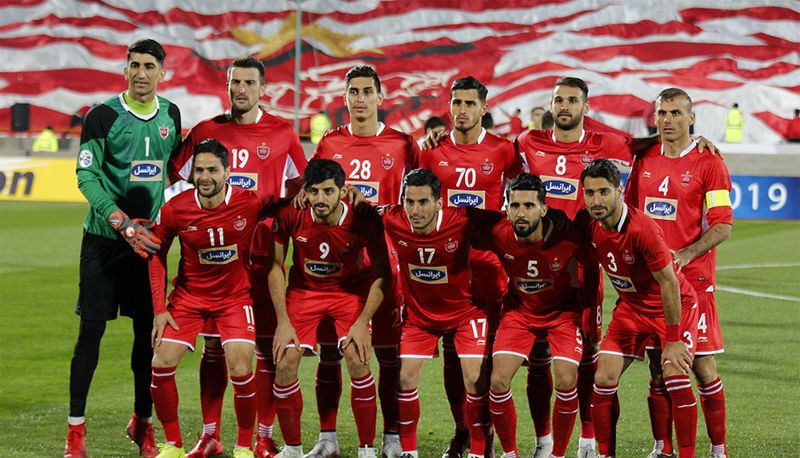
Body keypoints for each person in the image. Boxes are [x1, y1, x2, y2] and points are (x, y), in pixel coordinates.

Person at [515, 77, 716, 458]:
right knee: (538, 356)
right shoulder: (528, 141)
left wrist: (690, 140)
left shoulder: (603, 145)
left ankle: (589, 439)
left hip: (586, 268)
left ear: (585, 107)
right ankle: (545, 442)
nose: (564, 106)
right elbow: (495, 161)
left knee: (591, 356)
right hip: (540, 265)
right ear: (551, 104)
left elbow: (645, 143)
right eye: (559, 100)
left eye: (572, 100)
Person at [167, 55, 308, 458]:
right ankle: (210, 435)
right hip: (214, 262)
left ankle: (262, 436)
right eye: (235, 82)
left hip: (264, 257)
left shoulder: (283, 133)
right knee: (213, 347)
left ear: (263, 88)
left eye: (249, 82)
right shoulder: (206, 131)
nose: (241, 89)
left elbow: (299, 188)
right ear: (227, 85)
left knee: (263, 348)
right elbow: (175, 176)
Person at [65, 38, 180, 458]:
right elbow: (86, 177)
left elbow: (173, 171)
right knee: (90, 333)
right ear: (125, 69)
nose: (141, 73)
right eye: (135, 65)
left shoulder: (171, 115)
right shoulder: (102, 116)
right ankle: (75, 432)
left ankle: (143, 425)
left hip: (146, 245)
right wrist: (121, 222)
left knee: (146, 339)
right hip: (104, 240)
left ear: (162, 72)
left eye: (149, 66)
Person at [306, 64, 419, 458]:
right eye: (353, 91)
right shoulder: (330, 144)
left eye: (367, 91)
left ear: (380, 97)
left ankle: (391, 438)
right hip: (338, 267)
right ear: (345, 97)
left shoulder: (403, 144)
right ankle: (327, 439)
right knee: (330, 353)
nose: (359, 99)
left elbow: (420, 195)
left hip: (385, 266)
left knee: (388, 355)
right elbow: (311, 192)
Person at [148, 138, 282, 458]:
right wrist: (159, 308)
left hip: (235, 299)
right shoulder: (175, 209)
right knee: (160, 363)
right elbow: (156, 254)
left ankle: (243, 447)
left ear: (227, 172)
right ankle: (173, 445)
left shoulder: (250, 201)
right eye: (199, 170)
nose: (205, 177)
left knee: (240, 366)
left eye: (212, 170)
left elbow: (286, 204)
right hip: (189, 298)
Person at [419, 75, 525, 458]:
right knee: (452, 357)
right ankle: (462, 431)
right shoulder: (431, 152)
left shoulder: (503, 150)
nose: (461, 110)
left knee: (485, 361)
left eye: (469, 103)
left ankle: (486, 435)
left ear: (484, 107)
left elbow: (524, 193)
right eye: (456, 103)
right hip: (448, 271)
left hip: (491, 271)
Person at [626, 88, 733, 458]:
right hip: (651, 284)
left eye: (675, 112)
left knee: (701, 366)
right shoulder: (644, 158)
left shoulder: (709, 162)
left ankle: (718, 450)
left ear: (691, 118)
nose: (668, 119)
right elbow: (630, 213)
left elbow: (723, 224)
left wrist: (686, 254)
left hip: (693, 282)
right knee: (659, 368)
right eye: (662, 113)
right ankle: (663, 448)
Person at [575, 158, 700, 458]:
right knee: (603, 378)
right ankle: (606, 454)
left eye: (604, 192)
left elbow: (670, 284)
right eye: (590, 193)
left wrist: (673, 339)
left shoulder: (643, 229)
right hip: (631, 309)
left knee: (675, 378)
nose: (596, 200)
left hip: (672, 307)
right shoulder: (586, 223)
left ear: (619, 191)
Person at [269, 159, 392, 458]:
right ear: (305, 192)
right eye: (314, 191)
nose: (320, 199)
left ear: (343, 191)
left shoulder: (363, 218)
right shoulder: (291, 214)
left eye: (328, 191)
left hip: (350, 292)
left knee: (357, 358)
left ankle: (366, 451)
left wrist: (362, 322)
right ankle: (292, 450)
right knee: (284, 363)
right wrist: (282, 321)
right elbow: (275, 266)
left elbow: (383, 274)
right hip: (305, 292)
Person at [380, 168, 504, 458]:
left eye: (423, 202)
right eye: (409, 202)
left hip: (466, 313)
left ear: (439, 202)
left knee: (474, 378)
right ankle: (409, 451)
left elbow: (504, 222)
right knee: (405, 377)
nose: (415, 210)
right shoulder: (392, 218)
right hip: (420, 318)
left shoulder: (463, 219)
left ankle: (478, 450)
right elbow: (360, 211)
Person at [479, 173, 600, 458]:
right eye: (515, 205)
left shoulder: (568, 236)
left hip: (562, 313)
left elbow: (592, 268)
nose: (521, 213)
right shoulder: (498, 233)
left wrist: (589, 315)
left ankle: (557, 455)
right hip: (520, 313)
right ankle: (510, 454)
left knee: (566, 379)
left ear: (544, 209)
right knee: (497, 381)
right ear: (506, 208)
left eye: (529, 206)